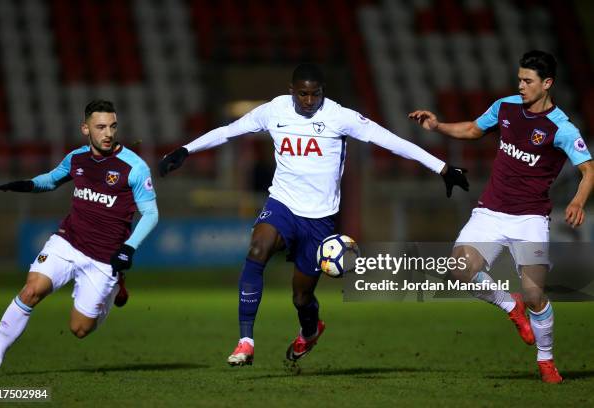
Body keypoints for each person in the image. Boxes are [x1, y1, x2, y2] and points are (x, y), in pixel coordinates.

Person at [159, 63, 469, 366]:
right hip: (282, 204)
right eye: (303, 95)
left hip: (319, 220)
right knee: (257, 249)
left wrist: (441, 167)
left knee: (301, 298)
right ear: (291, 91)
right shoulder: (274, 110)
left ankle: (310, 330)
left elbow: (390, 141)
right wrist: (185, 150)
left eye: (315, 95)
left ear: (323, 92)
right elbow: (229, 132)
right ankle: (246, 341)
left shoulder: (340, 117)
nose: (309, 101)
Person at [409, 50, 593, 383]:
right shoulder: (505, 107)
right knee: (459, 269)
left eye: (528, 81)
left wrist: (578, 201)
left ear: (547, 83)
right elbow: (472, 130)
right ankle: (510, 306)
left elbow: (588, 170)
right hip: (491, 211)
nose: (520, 86)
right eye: (519, 79)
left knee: (536, 295)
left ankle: (546, 359)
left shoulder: (562, 128)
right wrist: (437, 126)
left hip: (530, 219)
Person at [0, 100, 159, 376]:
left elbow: (150, 214)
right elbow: (51, 180)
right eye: (100, 127)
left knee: (79, 329)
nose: (108, 133)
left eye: (112, 126)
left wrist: (128, 248)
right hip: (68, 241)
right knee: (31, 290)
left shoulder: (134, 167)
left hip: (105, 256)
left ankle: (114, 287)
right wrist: (27, 184)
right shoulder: (76, 158)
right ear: (85, 128)